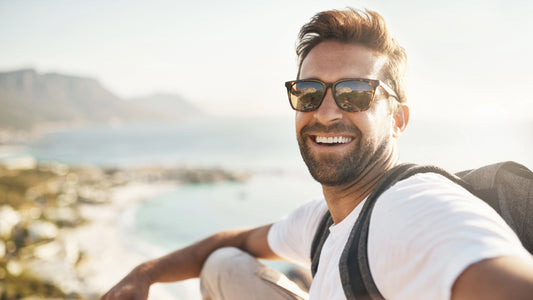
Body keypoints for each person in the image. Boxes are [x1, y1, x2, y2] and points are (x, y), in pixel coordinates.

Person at [101, 8, 533, 300]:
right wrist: (146, 274)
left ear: (398, 119)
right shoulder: (322, 220)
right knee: (223, 263)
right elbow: (231, 239)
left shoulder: (411, 209)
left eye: (354, 94)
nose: (325, 113)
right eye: (309, 93)